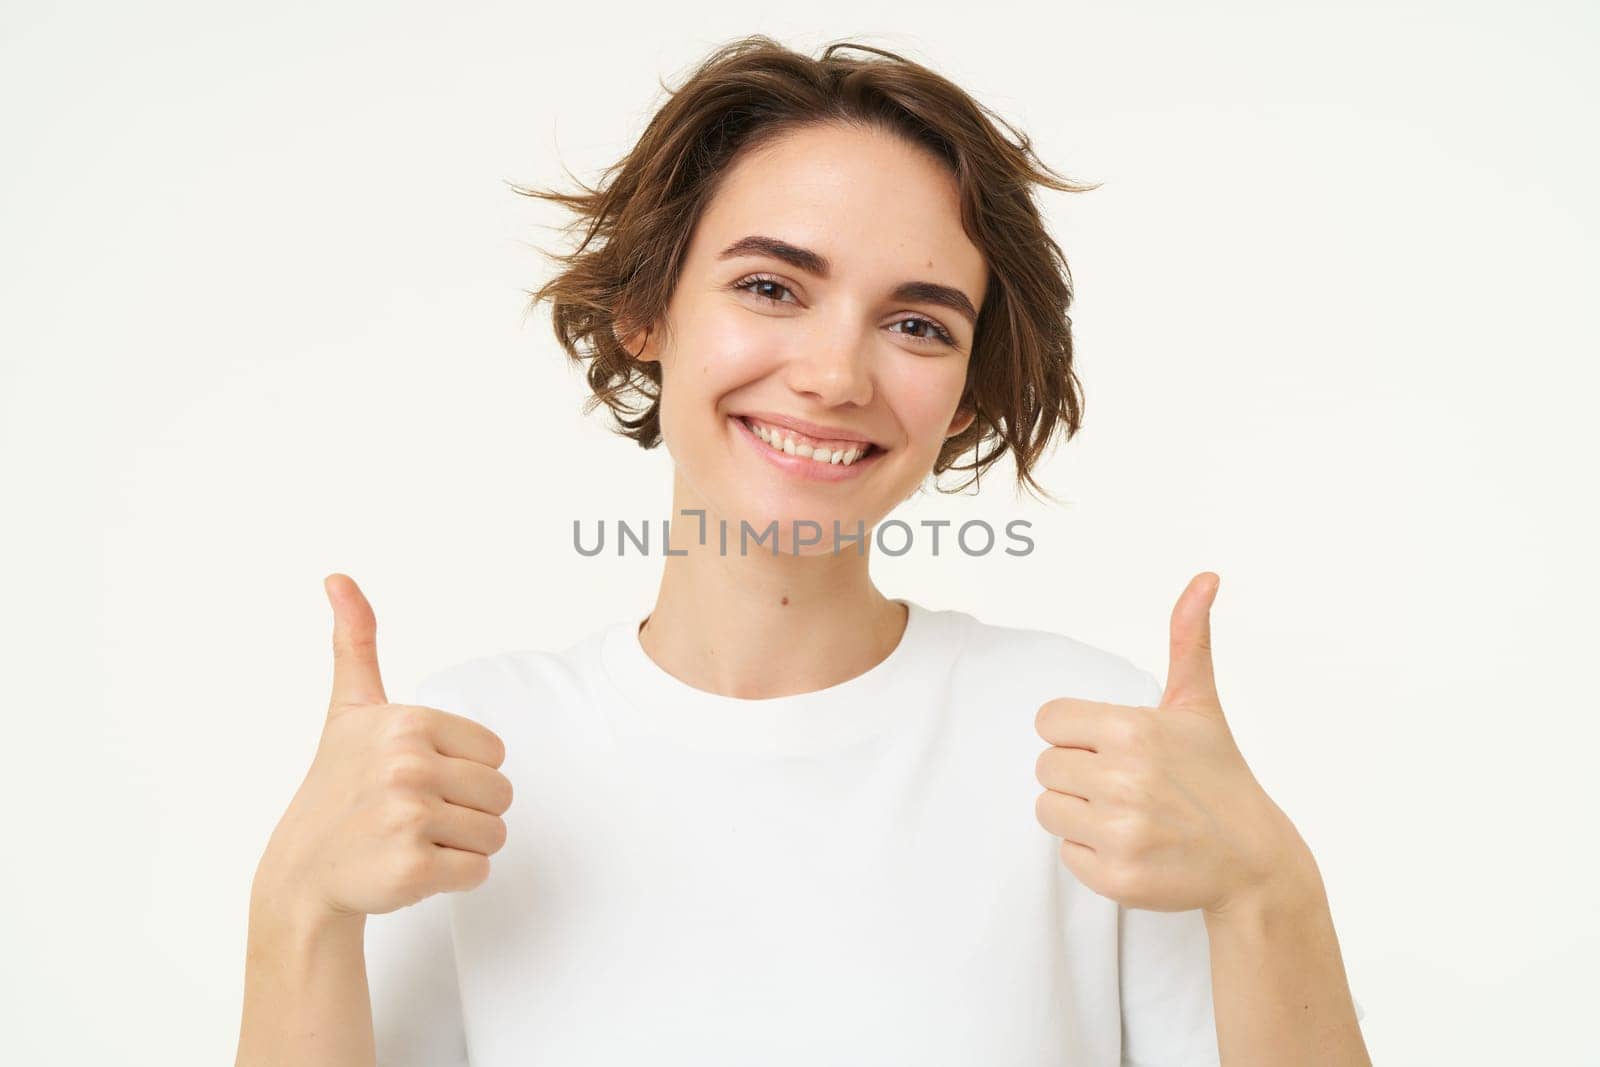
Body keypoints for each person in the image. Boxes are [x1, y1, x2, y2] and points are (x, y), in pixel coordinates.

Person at [235, 35, 1370, 1066]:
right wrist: (297, 903)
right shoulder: (462, 761)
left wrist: (1271, 887)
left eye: (918, 322)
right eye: (770, 286)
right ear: (647, 309)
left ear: (963, 396)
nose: (835, 376)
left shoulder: (1094, 752)